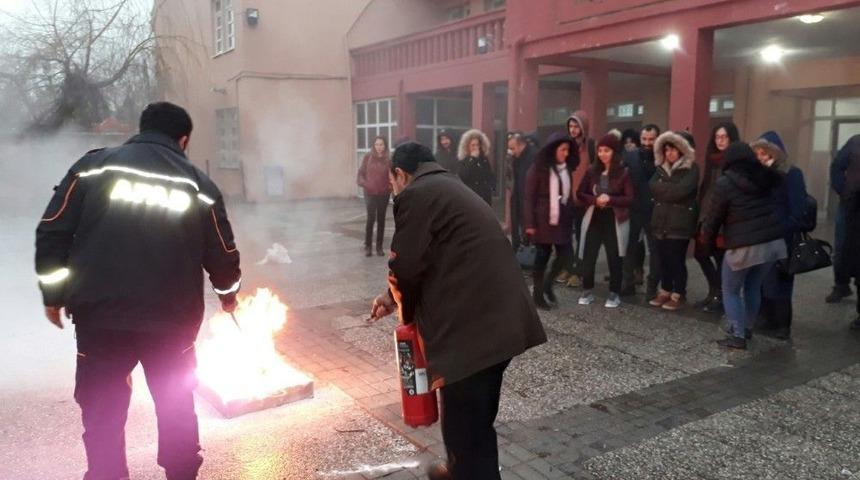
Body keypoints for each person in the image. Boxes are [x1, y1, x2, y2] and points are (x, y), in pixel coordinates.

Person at [35, 102, 242, 480]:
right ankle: (181, 474)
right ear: (183, 140)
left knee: (102, 409)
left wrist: (53, 294)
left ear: (141, 129)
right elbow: (222, 253)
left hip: (101, 321)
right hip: (171, 325)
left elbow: (53, 230)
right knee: (175, 406)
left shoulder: (93, 168)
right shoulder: (198, 185)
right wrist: (228, 294)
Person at [369, 142, 546, 480]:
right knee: (474, 424)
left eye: (392, 183)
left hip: (473, 331)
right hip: (502, 320)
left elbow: (405, 266)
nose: (393, 191)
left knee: (466, 428)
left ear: (400, 174)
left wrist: (405, 314)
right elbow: (432, 256)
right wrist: (392, 297)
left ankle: (464, 471)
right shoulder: (449, 186)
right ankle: (459, 469)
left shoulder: (416, 194)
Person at [701, 142, 785, 350]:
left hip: (744, 246)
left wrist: (707, 243)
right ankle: (747, 328)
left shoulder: (725, 183)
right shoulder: (765, 177)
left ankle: (737, 336)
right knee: (753, 286)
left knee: (730, 289)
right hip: (771, 243)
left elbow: (713, 218)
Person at [752, 131, 808, 340]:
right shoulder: (759, 175)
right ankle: (765, 317)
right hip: (761, 235)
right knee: (761, 279)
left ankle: (782, 324)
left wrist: (782, 228)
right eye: (757, 153)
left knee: (781, 281)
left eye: (764, 152)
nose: (760, 157)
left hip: (782, 237)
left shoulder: (792, 174)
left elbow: (798, 209)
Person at [576, 133, 634, 308]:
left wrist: (610, 199)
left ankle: (614, 293)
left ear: (614, 152)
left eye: (606, 150)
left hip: (614, 218)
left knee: (614, 256)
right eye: (600, 150)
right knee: (589, 255)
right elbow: (580, 193)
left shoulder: (623, 172)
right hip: (594, 216)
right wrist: (595, 200)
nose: (602, 154)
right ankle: (587, 290)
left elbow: (629, 198)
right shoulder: (592, 171)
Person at [524, 133, 579, 309]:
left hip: (562, 219)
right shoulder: (538, 168)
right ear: (553, 150)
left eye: (568, 150)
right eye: (563, 150)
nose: (566, 153)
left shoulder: (566, 169)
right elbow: (529, 197)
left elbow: (568, 195)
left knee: (566, 256)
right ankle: (538, 295)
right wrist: (529, 224)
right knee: (542, 257)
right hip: (543, 219)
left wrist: (572, 213)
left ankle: (548, 284)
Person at [648, 131, 699, 311]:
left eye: (673, 149)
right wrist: (668, 189)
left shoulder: (691, 168)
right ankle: (665, 289)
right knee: (662, 259)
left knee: (676, 259)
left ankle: (679, 292)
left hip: (680, 223)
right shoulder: (660, 168)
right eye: (667, 149)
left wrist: (665, 189)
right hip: (660, 221)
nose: (669, 153)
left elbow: (681, 191)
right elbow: (652, 186)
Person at [695, 122, 741, 313]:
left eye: (724, 137)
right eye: (717, 137)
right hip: (706, 215)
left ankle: (720, 296)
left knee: (720, 258)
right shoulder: (711, 160)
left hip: (724, 219)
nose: (720, 141)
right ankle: (714, 290)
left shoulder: (736, 163)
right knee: (701, 253)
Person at [556, 110, 597, 288]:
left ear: (583, 127)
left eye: (576, 126)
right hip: (566, 199)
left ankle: (579, 272)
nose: (573, 130)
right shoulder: (564, 146)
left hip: (584, 201)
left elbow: (596, 172)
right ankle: (568, 267)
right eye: (571, 126)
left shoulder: (591, 146)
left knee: (583, 238)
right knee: (564, 237)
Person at [622, 124, 661, 297]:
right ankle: (627, 282)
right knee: (629, 246)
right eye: (644, 139)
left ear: (657, 139)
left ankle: (652, 288)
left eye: (651, 139)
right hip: (634, 208)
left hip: (655, 210)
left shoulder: (663, 157)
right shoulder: (630, 156)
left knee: (655, 250)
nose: (647, 143)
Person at [827, 135, 860, 303]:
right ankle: (841, 284)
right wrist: (844, 190)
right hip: (850, 202)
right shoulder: (855, 142)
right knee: (842, 244)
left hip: (851, 200)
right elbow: (837, 167)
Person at [357, 135, 392, 257]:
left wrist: (389, 187)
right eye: (377, 144)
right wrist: (365, 184)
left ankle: (379, 247)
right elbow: (361, 173)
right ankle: (368, 246)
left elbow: (392, 176)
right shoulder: (368, 157)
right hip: (370, 192)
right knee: (370, 219)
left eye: (381, 144)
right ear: (373, 145)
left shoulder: (389, 160)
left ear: (385, 146)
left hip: (383, 193)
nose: (379, 147)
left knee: (381, 219)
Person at [507, 131, 537, 252]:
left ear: (521, 145)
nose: (511, 152)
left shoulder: (534, 156)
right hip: (517, 197)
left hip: (529, 200)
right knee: (517, 227)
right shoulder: (514, 158)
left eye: (512, 148)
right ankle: (516, 249)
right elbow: (509, 178)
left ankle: (528, 253)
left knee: (527, 230)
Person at [457, 128, 495, 205]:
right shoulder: (464, 160)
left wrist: (491, 187)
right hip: (470, 197)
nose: (475, 147)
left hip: (484, 197)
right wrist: (472, 159)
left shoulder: (484, 159)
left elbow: (489, 175)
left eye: (477, 145)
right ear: (467, 146)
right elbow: (463, 175)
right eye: (473, 145)